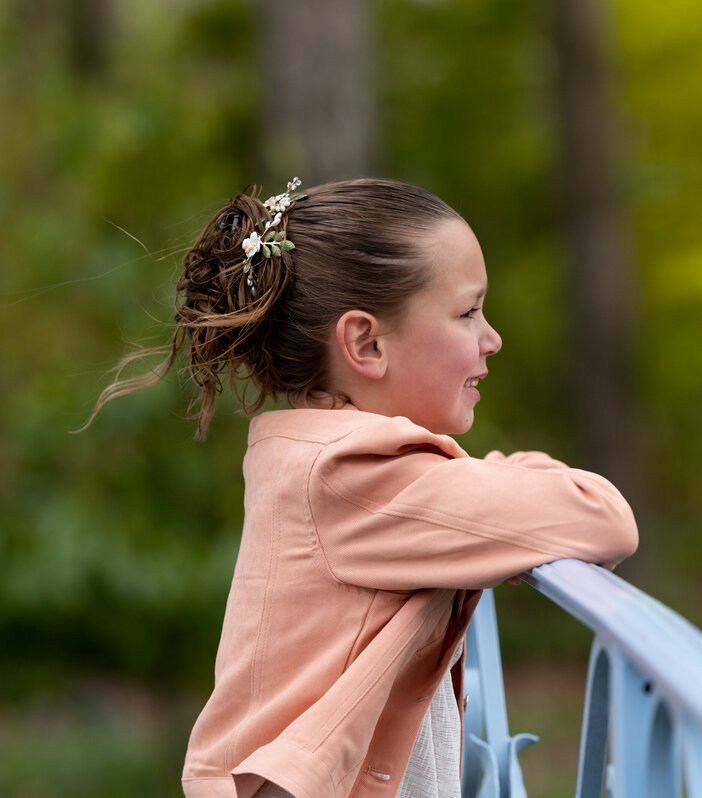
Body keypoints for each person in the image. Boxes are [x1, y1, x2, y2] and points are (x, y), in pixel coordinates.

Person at [86, 178, 639, 798]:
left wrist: (503, 484)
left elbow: (478, 491)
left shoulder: (327, 461)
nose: (493, 338)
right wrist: (522, 485)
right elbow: (605, 519)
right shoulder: (352, 476)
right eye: (468, 312)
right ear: (366, 344)